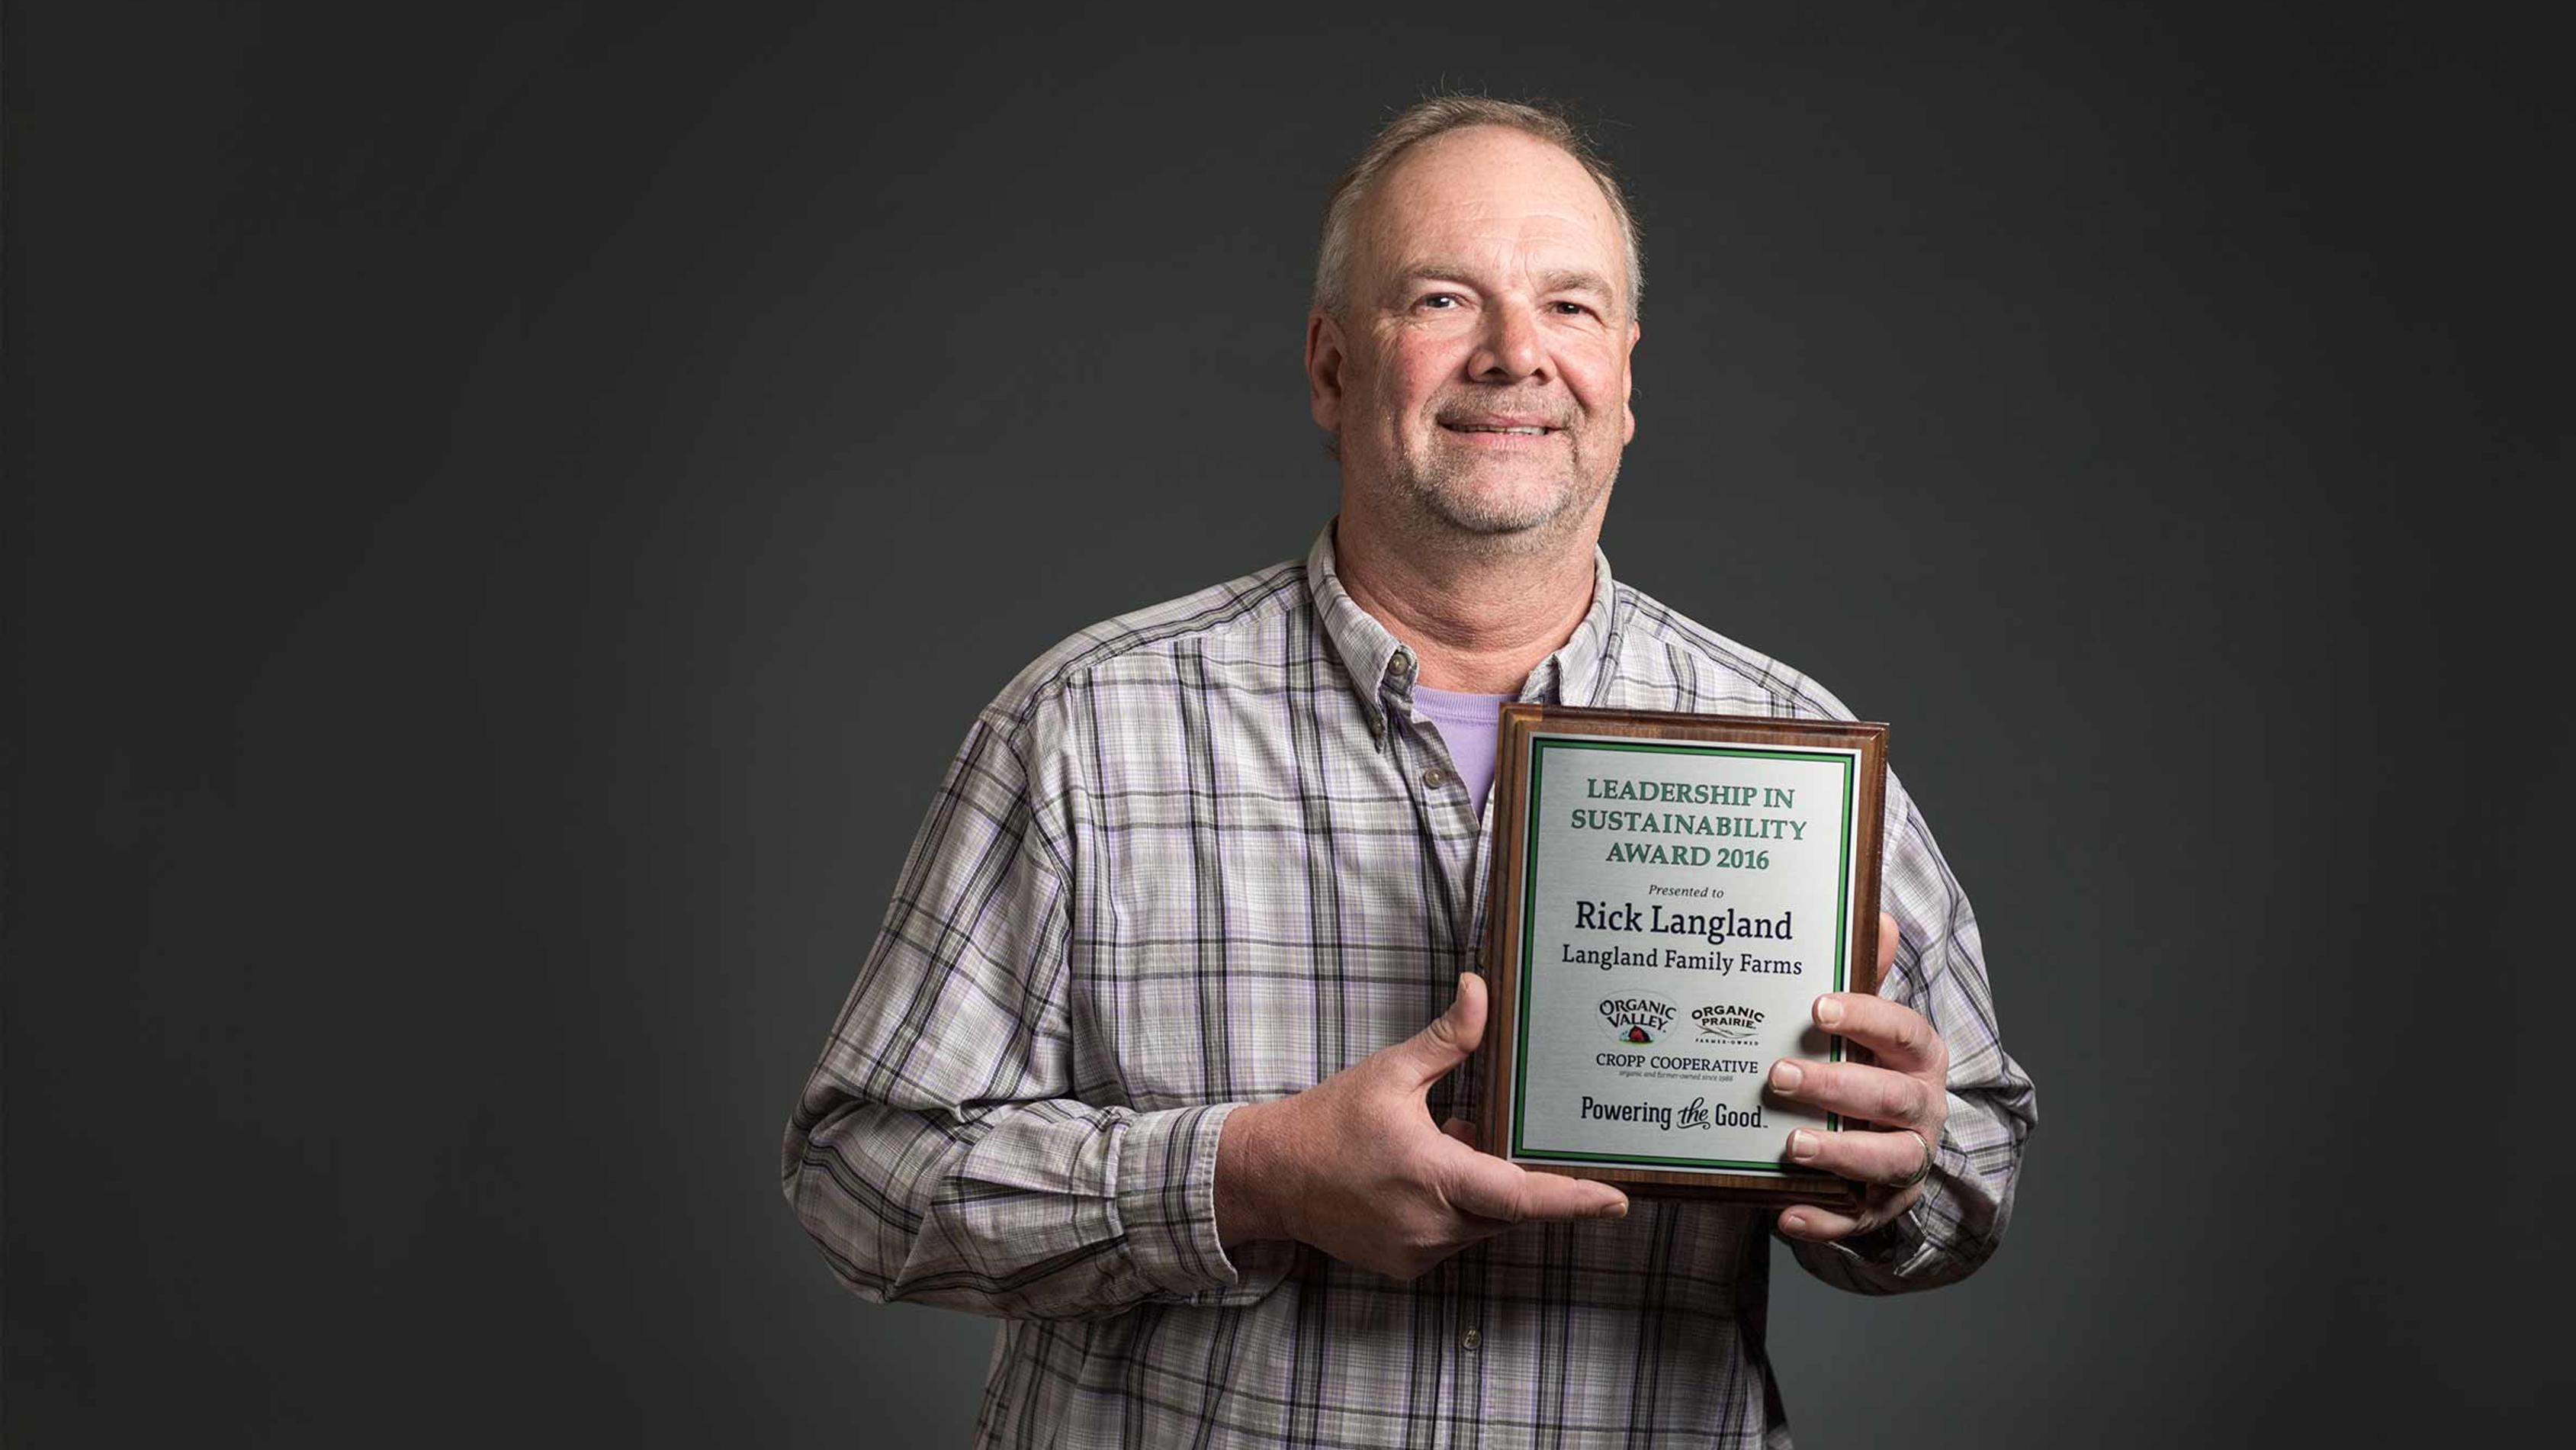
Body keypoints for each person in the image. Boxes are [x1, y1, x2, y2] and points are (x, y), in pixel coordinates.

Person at [780, 95, 2038, 1448]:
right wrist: (1242, 1177)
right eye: (1445, 298)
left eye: (1569, 307)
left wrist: (1900, 1167)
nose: (1515, 357)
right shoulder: (1089, 726)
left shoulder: (1789, 751)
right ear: (1331, 368)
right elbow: (863, 1176)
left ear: (1624, 375)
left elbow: (1973, 1163)